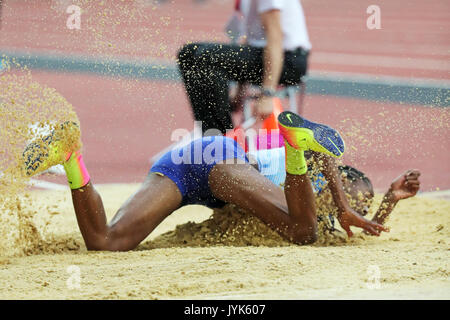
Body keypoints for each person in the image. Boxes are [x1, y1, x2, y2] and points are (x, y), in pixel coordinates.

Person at [177, 0, 311, 134]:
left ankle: (223, 140)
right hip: (264, 56)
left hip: (288, 61)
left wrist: (267, 94)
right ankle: (211, 134)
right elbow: (250, 45)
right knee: (188, 53)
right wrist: (240, 91)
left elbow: (275, 40)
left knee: (205, 57)